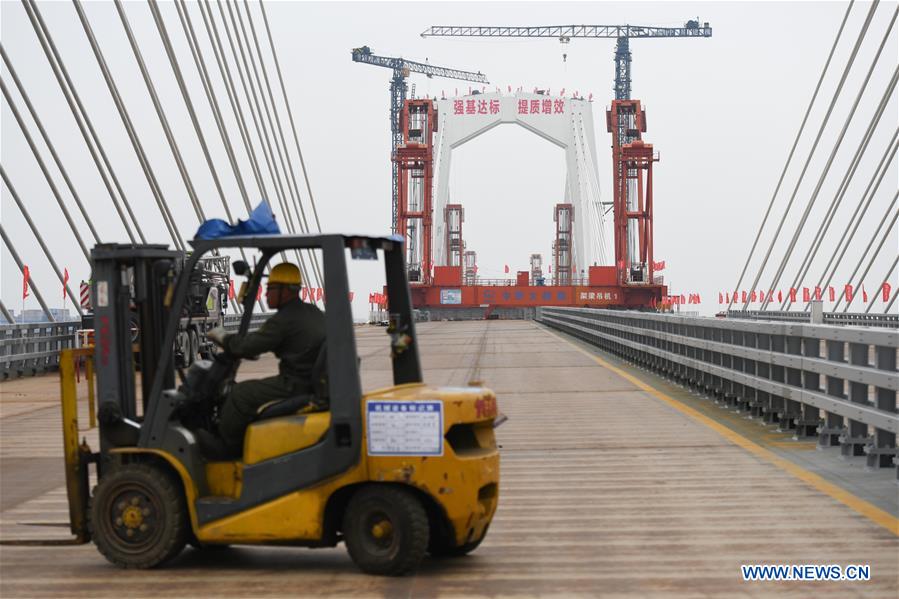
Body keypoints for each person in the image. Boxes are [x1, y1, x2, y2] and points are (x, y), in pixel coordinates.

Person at [204, 262, 325, 457]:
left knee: (239, 395)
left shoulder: (284, 319)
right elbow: (261, 344)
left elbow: (247, 346)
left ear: (285, 291)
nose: (266, 294)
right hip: (310, 380)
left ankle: (226, 450)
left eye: (270, 289)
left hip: (296, 383)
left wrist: (223, 337)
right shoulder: (312, 311)